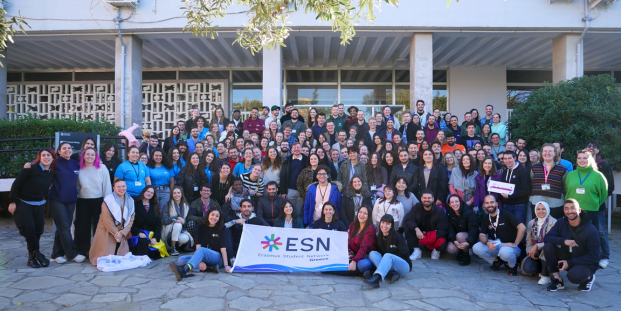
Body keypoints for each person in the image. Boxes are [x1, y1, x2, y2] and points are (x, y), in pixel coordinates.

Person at [9, 148, 56, 268]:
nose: (46, 157)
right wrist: (12, 202)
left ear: (53, 158)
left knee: (38, 231)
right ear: (40, 157)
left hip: (39, 204)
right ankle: (37, 255)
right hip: (23, 202)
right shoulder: (31, 168)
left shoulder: (51, 173)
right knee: (29, 230)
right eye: (43, 155)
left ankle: (33, 257)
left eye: (49, 155)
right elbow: (16, 184)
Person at [544, 199, 600, 292]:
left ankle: (588, 277)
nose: (569, 211)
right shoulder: (561, 222)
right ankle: (557, 280)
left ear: (579, 210)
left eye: (573, 208)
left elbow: (594, 256)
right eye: (566, 209)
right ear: (564, 211)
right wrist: (564, 241)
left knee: (573, 276)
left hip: (585, 262)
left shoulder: (591, 230)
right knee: (548, 246)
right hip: (568, 256)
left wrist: (570, 262)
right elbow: (547, 238)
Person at [170, 206, 234, 280]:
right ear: (208, 215)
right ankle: (209, 268)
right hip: (203, 256)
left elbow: (223, 249)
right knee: (181, 260)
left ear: (219, 218)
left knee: (201, 250)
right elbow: (198, 245)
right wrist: (201, 261)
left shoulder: (222, 229)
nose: (214, 217)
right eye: (212, 214)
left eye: (217, 216)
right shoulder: (200, 227)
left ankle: (184, 270)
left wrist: (226, 265)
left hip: (217, 258)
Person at [48, 142, 85, 264]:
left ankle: (56, 254)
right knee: (64, 227)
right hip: (57, 199)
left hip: (71, 199)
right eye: (64, 148)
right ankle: (72, 254)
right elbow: (40, 165)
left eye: (69, 148)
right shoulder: (54, 162)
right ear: (59, 151)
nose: (67, 150)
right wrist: (28, 165)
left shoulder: (75, 163)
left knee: (62, 228)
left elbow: (90, 163)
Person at [472, 195, 526, 276]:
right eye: (487, 203)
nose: (489, 205)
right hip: (497, 244)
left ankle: (513, 266)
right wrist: (487, 243)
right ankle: (498, 262)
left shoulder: (506, 214)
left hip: (511, 247)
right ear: (484, 205)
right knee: (476, 248)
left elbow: (522, 227)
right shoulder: (486, 218)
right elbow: (482, 235)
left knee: (505, 251)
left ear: (497, 203)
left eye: (491, 202)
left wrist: (515, 244)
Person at [75, 147, 112, 258]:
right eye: (87, 154)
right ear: (83, 156)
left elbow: (107, 186)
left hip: (99, 200)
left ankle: (98, 250)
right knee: (82, 227)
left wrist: (107, 203)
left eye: (92, 155)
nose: (90, 156)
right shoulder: (79, 169)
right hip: (82, 200)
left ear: (96, 157)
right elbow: (76, 185)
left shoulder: (102, 168)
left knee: (99, 227)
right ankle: (82, 250)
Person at [89, 179, 135, 265]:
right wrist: (116, 233)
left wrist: (122, 233)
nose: (121, 188)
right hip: (107, 229)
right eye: (118, 187)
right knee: (104, 257)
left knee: (122, 260)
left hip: (122, 230)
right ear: (114, 188)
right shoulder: (108, 200)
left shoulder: (130, 201)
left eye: (123, 186)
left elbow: (131, 219)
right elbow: (107, 219)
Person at [585, 140, 615, 269]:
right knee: (584, 230)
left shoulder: (604, 166)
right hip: (583, 206)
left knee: (601, 231)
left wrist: (598, 199)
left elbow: (610, 187)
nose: (591, 148)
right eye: (589, 146)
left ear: (598, 150)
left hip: (598, 206)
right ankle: (588, 255)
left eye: (594, 147)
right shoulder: (581, 164)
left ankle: (605, 256)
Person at [565, 150, 608, 238]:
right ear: (576, 160)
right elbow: (567, 190)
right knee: (573, 236)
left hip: (591, 211)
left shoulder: (598, 176)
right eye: (579, 158)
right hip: (572, 211)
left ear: (591, 160)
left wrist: (594, 204)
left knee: (590, 237)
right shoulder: (570, 175)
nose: (582, 160)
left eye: (585, 158)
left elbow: (603, 194)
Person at [364, 214, 412, 288]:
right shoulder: (379, 237)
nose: (384, 225)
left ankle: (377, 278)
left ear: (391, 225)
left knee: (387, 255)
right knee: (372, 253)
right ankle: (390, 273)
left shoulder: (397, 237)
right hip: (390, 264)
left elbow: (405, 253)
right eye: (383, 223)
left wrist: (391, 258)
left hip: (403, 266)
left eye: (387, 224)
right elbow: (378, 253)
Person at [403, 190, 448, 261]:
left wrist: (431, 236)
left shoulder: (439, 211)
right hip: (420, 233)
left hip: (433, 235)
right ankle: (417, 250)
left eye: (429, 198)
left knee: (443, 241)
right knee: (408, 228)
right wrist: (416, 229)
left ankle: (436, 251)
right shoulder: (416, 207)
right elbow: (408, 219)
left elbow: (443, 228)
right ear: (421, 199)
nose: (427, 200)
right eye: (425, 198)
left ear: (433, 199)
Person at [521, 201, 556, 285]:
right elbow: (529, 241)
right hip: (536, 253)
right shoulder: (531, 223)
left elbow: (553, 242)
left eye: (543, 209)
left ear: (547, 209)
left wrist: (537, 245)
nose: (541, 211)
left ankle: (545, 276)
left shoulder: (554, 222)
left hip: (549, 252)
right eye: (538, 209)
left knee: (546, 247)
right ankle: (543, 269)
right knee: (527, 268)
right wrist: (530, 251)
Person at [529, 143, 567, 220]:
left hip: (556, 203)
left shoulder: (562, 169)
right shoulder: (535, 167)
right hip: (537, 201)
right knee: (537, 226)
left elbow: (565, 186)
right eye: (545, 151)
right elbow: (532, 182)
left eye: (550, 151)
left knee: (555, 227)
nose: (547, 153)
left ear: (555, 153)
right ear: (542, 153)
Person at [130, 186, 162, 259]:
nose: (149, 194)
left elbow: (158, 225)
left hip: (150, 234)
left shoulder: (155, 206)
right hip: (137, 234)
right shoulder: (134, 204)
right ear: (143, 192)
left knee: (157, 253)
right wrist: (138, 232)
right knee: (143, 243)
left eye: (151, 193)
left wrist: (155, 238)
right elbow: (129, 223)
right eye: (148, 191)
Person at [446, 194, 478, 266]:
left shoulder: (469, 213)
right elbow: (450, 229)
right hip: (457, 238)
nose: (455, 204)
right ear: (449, 204)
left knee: (460, 235)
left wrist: (469, 242)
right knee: (450, 249)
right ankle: (460, 252)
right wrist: (454, 240)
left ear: (460, 202)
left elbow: (474, 230)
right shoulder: (449, 214)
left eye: (456, 201)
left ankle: (466, 256)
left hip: (469, 238)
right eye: (452, 202)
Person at [501, 151, 532, 224]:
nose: (507, 161)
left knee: (519, 227)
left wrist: (510, 196)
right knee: (508, 226)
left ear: (515, 158)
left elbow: (526, 190)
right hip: (506, 204)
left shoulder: (523, 171)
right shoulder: (505, 171)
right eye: (505, 158)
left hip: (519, 205)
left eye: (509, 158)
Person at [279, 142, 309, 217]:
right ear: (291, 149)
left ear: (301, 149)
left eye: (298, 147)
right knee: (290, 212)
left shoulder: (307, 160)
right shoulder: (287, 161)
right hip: (290, 190)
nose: (296, 149)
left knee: (299, 212)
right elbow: (283, 176)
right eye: (294, 147)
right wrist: (283, 191)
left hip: (302, 191)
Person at [162, 186, 194, 255]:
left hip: (181, 231)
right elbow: (164, 220)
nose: (177, 195)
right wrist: (176, 218)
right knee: (177, 224)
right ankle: (172, 248)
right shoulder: (167, 205)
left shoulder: (186, 205)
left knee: (185, 238)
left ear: (181, 194)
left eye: (178, 193)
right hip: (169, 231)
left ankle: (176, 246)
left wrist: (184, 221)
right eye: (174, 193)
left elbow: (187, 220)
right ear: (172, 195)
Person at [346, 205, 376, 274]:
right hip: (356, 254)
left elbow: (363, 248)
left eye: (365, 213)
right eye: (360, 212)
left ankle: (366, 271)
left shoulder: (370, 229)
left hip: (366, 256)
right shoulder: (353, 225)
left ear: (369, 216)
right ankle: (364, 273)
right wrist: (350, 252)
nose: (362, 215)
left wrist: (354, 261)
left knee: (362, 264)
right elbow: (348, 242)